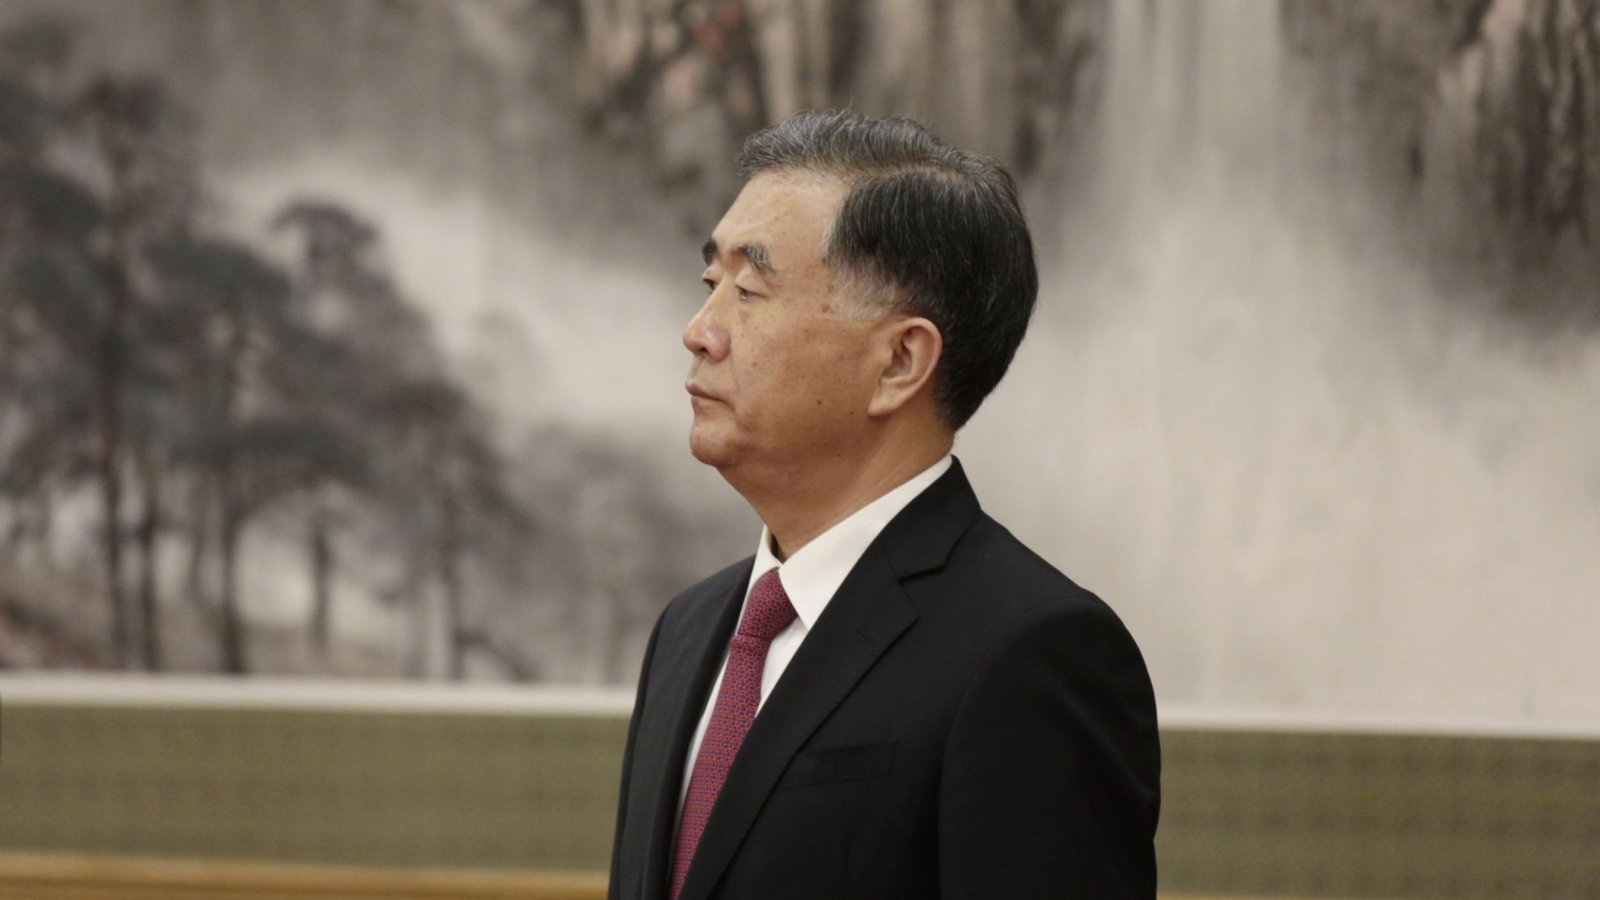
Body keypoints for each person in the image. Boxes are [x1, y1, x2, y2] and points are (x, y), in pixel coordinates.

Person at [608, 110, 1160, 899]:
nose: (700, 332)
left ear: (900, 361)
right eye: (710, 284)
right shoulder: (690, 628)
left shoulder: (1031, 651)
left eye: (750, 290)